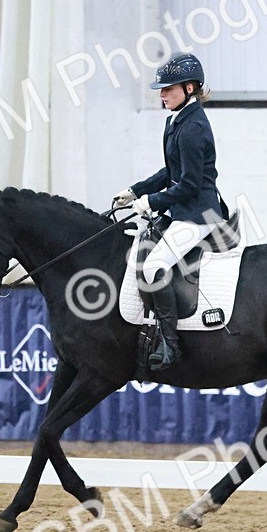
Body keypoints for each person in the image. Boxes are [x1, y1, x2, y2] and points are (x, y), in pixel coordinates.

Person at [113, 52, 223, 371]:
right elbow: (169, 170)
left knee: (154, 266)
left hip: (198, 213)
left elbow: (188, 184)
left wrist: (152, 202)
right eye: (161, 89)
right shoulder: (177, 120)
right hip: (182, 208)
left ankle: (169, 343)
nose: (161, 94)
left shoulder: (192, 128)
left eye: (168, 88)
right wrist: (136, 190)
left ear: (189, 88)